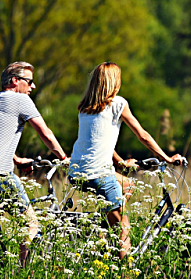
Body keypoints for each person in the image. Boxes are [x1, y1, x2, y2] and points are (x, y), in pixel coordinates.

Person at [68, 61, 184, 257]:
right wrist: (166, 158)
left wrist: (120, 162)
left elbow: (97, 140)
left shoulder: (85, 108)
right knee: (124, 227)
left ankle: (102, 234)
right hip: (99, 173)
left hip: (76, 171)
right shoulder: (118, 103)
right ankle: (125, 276)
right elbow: (142, 135)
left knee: (128, 185)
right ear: (114, 82)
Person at [0, 61, 69, 266]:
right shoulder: (21, 101)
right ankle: (22, 273)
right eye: (29, 81)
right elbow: (45, 133)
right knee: (30, 223)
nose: (33, 87)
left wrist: (17, 159)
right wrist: (63, 158)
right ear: (14, 81)